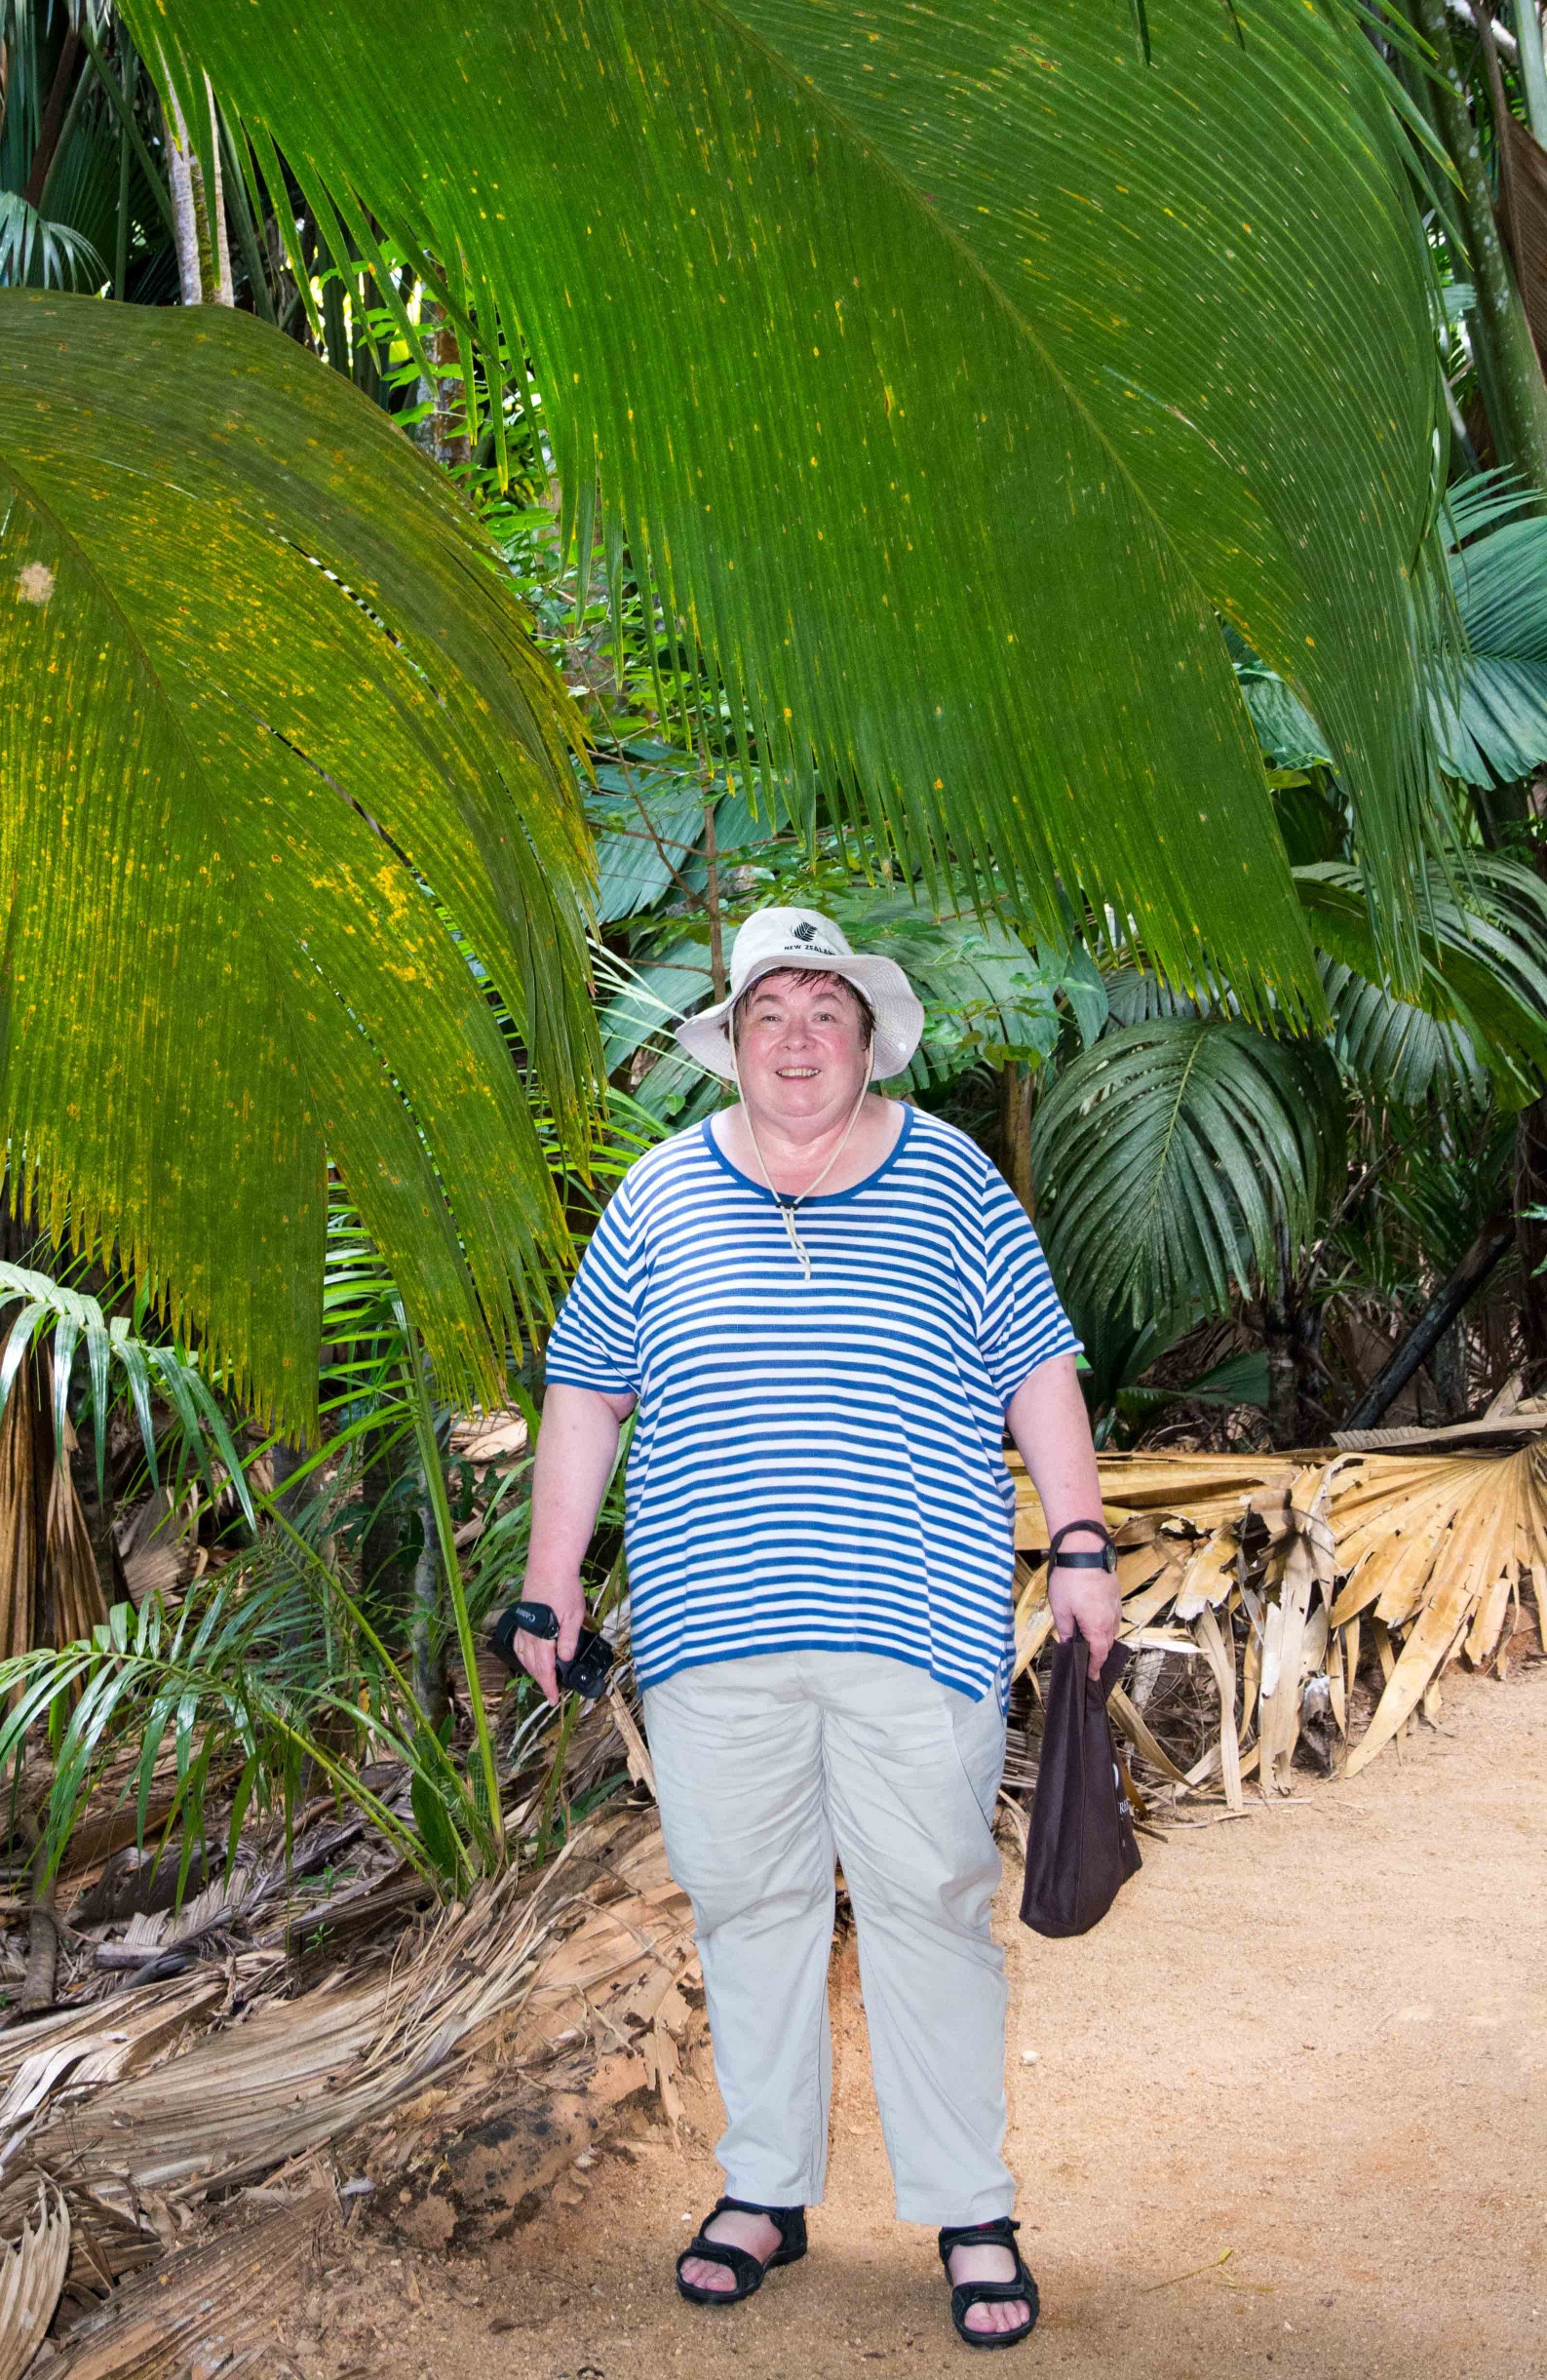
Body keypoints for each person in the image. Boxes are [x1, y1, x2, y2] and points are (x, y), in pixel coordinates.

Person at [516, 906, 1121, 2351]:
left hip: (918, 1623)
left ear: (867, 1039)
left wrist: (1083, 1543)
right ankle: (767, 2189)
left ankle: (971, 2206)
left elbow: (1038, 1369)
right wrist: (550, 1584)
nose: (796, 1039)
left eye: (823, 1014)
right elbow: (588, 1395)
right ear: (730, 1043)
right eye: (768, 1013)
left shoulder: (955, 1181)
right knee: (750, 1909)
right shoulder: (657, 1196)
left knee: (925, 1907)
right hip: (710, 1633)